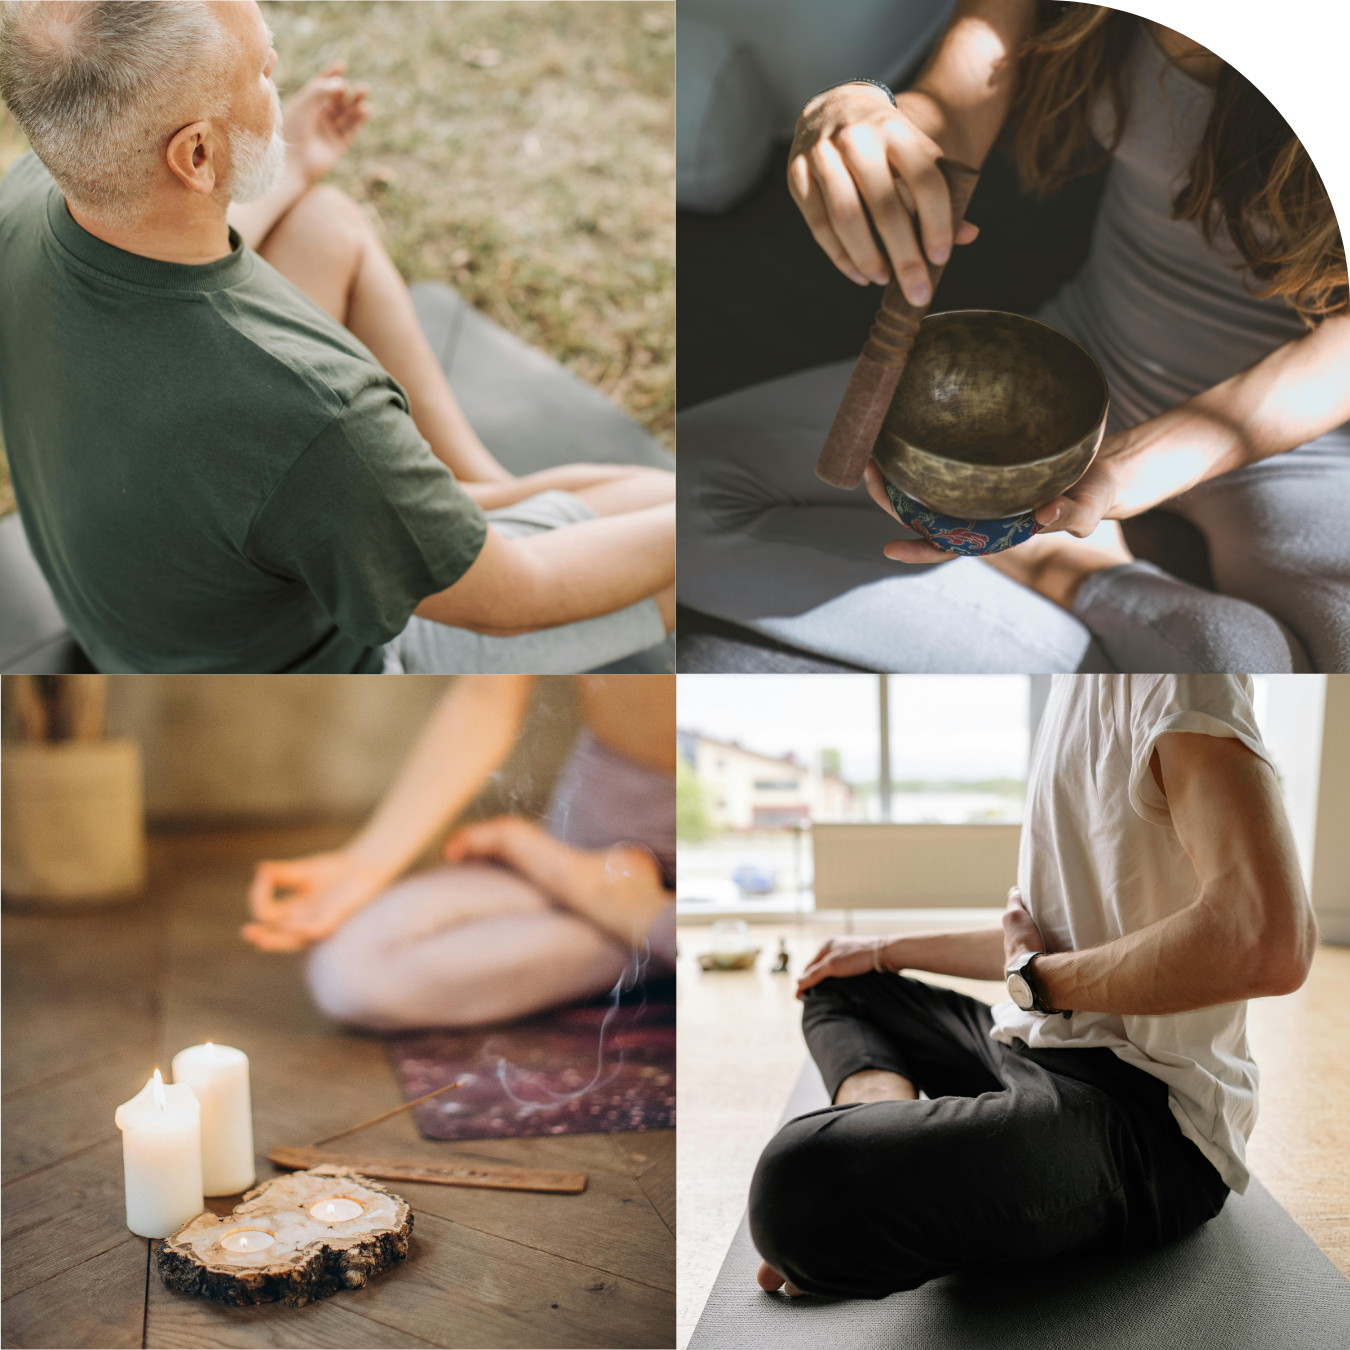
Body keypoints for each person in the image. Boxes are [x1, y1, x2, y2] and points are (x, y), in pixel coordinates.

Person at [0, 0, 674, 673]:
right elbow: (522, 592)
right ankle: (459, 521)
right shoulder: (313, 412)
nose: (278, 74)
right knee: (674, 518)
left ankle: (467, 492)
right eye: (262, 71)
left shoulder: (27, 198)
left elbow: (161, 255)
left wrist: (291, 166)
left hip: (141, 625)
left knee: (324, 223)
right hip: (322, 673)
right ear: (197, 153)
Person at [676, 2, 1349, 673]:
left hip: (1302, 442)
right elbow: (954, 105)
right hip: (1077, 369)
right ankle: (1082, 577)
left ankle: (1091, 595)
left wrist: (1124, 471)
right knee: (675, 501)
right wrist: (865, 115)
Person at [748, 674, 1316, 1299]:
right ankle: (888, 1126)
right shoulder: (1074, 686)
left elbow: (1266, 940)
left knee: (794, 1184)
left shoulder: (1176, 674)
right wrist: (883, 950)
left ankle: (883, 1171)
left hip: (1149, 1115)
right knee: (839, 983)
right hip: (1031, 1045)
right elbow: (1044, 948)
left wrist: (1035, 980)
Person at [242, 674, 675, 1029]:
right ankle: (655, 938)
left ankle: (648, 926)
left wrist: (647, 915)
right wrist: (366, 862)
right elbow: (488, 692)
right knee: (352, 970)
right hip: (585, 847)